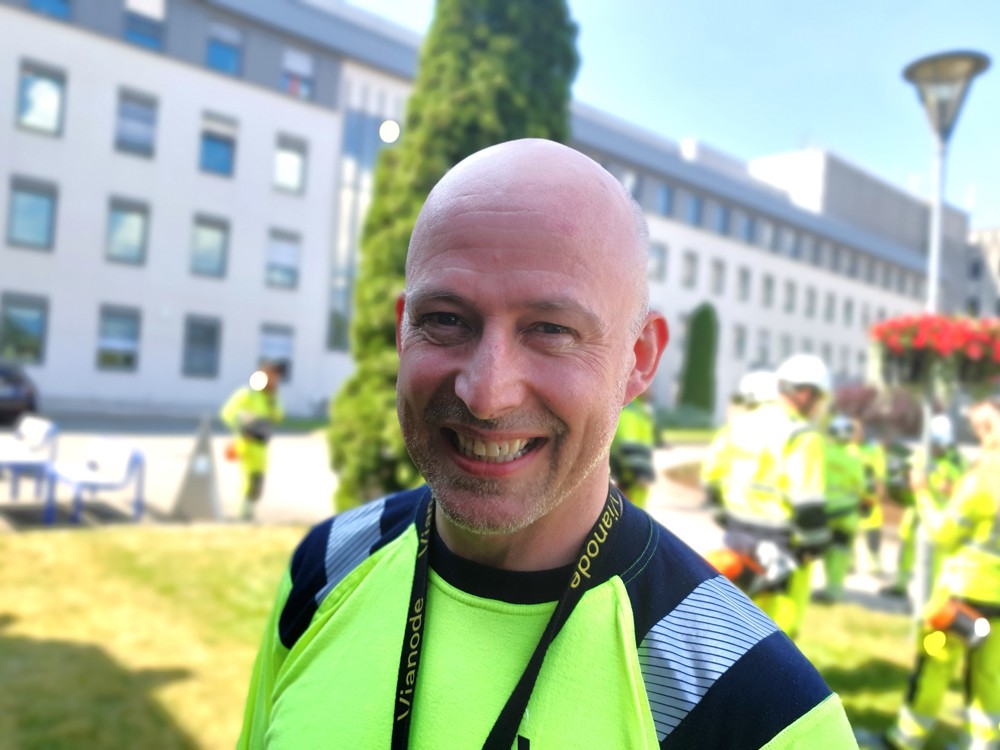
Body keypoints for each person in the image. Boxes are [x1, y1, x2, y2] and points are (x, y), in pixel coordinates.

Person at [238, 139, 856, 748]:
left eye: (551, 329)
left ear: (638, 360)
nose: (485, 393)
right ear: (404, 330)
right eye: (446, 319)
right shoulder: (323, 569)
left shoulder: (758, 710)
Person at [884, 397, 1000, 750]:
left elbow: (941, 533)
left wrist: (922, 494)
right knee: (989, 676)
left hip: (960, 599)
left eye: (984, 427)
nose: (980, 435)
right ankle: (982, 744)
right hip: (996, 608)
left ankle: (906, 739)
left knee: (933, 661)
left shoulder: (983, 478)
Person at [708, 353, 832, 639]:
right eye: (817, 397)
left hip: (736, 542)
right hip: (783, 551)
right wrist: (816, 545)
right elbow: (808, 506)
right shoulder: (802, 437)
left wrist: (731, 518)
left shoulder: (741, 424)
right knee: (777, 640)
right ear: (804, 393)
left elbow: (712, 477)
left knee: (729, 628)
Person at [881, 414, 964, 601]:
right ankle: (900, 586)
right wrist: (901, 480)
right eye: (932, 443)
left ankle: (934, 596)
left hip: (940, 516)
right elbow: (906, 473)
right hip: (917, 512)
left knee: (937, 560)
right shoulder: (921, 455)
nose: (934, 448)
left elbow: (966, 488)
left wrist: (951, 488)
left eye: (938, 444)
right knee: (907, 551)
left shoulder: (958, 462)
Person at [220, 362, 284, 521]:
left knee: (258, 481)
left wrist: (273, 398)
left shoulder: (268, 397)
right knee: (249, 480)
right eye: (271, 377)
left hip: (261, 446)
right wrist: (242, 428)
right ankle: (244, 514)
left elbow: (278, 416)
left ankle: (249, 512)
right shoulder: (247, 394)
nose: (274, 381)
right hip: (247, 444)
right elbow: (227, 413)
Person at [814, 413, 866, 604]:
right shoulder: (856, 456)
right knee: (841, 554)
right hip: (847, 515)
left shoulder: (823, 452)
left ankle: (828, 589)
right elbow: (861, 486)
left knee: (827, 552)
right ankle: (834, 591)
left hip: (825, 512)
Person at [609, 390, 657, 508]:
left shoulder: (639, 409)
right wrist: (640, 474)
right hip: (630, 487)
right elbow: (628, 445)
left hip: (633, 488)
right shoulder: (631, 410)